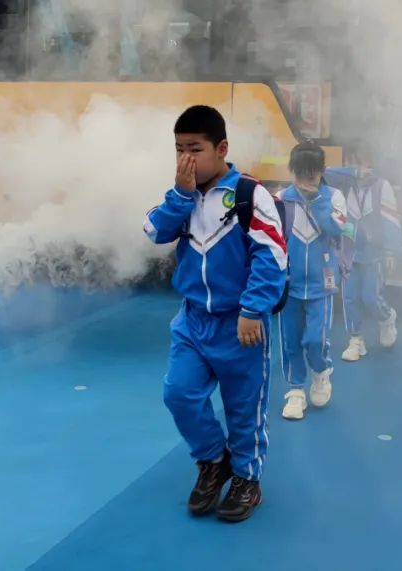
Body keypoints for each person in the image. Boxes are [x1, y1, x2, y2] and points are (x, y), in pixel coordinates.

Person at [144, 105, 288, 523]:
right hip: (192, 322)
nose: (186, 160)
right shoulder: (182, 196)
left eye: (195, 149)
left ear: (221, 148)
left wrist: (252, 309)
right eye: (178, 150)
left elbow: (272, 255)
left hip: (239, 324)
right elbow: (154, 230)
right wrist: (180, 194)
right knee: (179, 393)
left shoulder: (249, 194)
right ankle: (212, 460)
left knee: (244, 408)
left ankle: (246, 478)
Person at [276, 141, 350, 421]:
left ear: (322, 171)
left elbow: (336, 228)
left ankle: (321, 372)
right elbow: (272, 240)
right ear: (292, 171)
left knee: (315, 339)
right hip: (289, 285)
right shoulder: (281, 199)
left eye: (312, 173)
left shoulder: (335, 197)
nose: (306, 180)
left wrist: (317, 201)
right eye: (301, 173)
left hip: (322, 284)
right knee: (291, 340)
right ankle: (295, 390)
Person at [326, 140, 402, 361]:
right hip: (349, 251)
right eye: (354, 161)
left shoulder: (382, 185)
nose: (360, 166)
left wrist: (390, 251)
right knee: (349, 297)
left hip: (375, 253)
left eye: (363, 161)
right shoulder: (343, 183)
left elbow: (391, 219)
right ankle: (355, 339)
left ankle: (387, 317)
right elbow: (326, 173)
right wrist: (352, 172)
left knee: (370, 296)